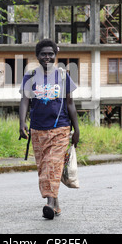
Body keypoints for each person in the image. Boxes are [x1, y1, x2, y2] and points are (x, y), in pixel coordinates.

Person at [19, 39, 80, 219]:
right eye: (43, 54)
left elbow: (70, 104)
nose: (47, 57)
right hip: (37, 130)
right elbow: (24, 101)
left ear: (55, 55)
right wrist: (22, 122)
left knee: (53, 165)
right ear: (37, 56)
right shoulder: (30, 76)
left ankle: (50, 204)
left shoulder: (62, 76)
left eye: (50, 54)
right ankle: (56, 203)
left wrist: (76, 129)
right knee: (45, 167)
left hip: (60, 128)